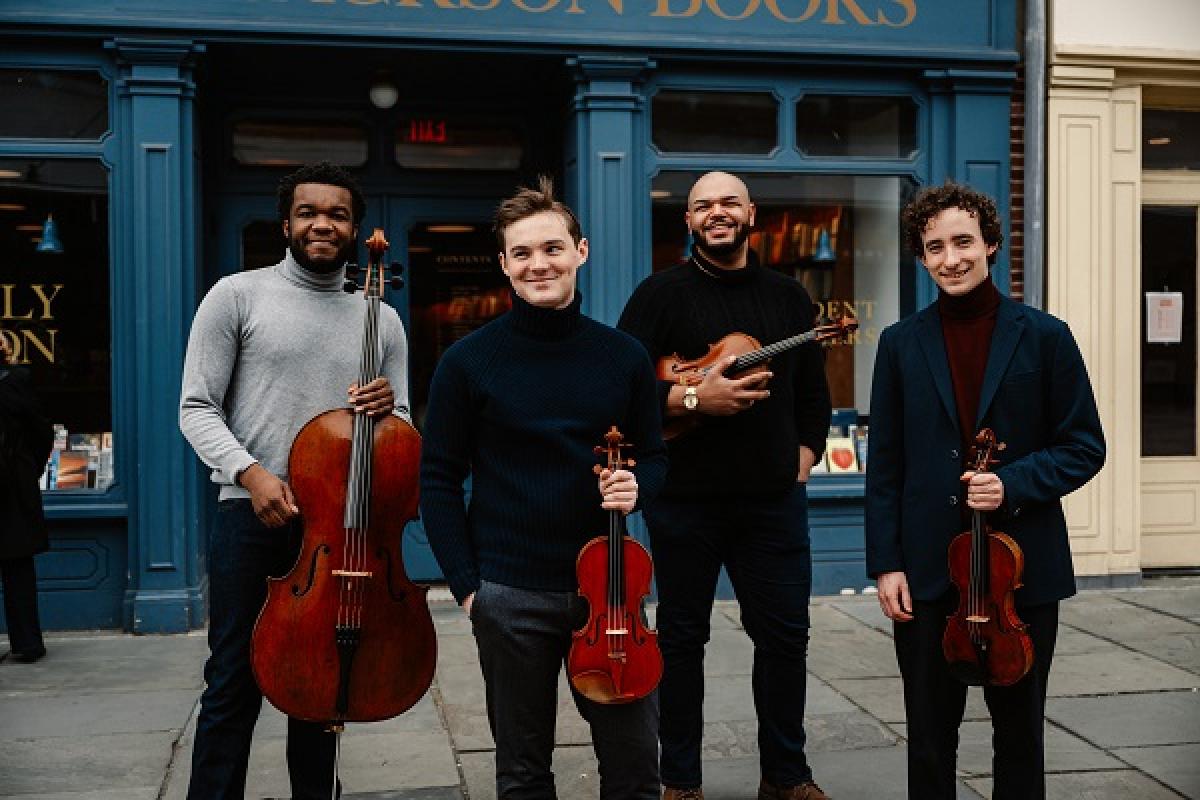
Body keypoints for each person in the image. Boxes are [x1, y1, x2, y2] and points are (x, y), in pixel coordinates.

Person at [419, 177, 668, 800]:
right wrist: (470, 590)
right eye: (523, 253)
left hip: (611, 595)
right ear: (504, 264)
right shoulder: (468, 361)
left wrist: (637, 486)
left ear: (580, 251)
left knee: (635, 767)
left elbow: (657, 458)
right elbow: (439, 479)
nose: (539, 265)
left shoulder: (624, 356)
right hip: (508, 593)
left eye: (552, 248)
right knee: (523, 771)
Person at [864, 181, 1106, 799]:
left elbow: (1085, 446)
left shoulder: (1046, 336)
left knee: (1020, 734)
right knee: (929, 737)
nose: (951, 258)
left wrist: (1012, 483)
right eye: (935, 246)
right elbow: (885, 466)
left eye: (963, 241)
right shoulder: (897, 343)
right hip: (926, 570)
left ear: (991, 244)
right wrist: (886, 564)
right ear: (921, 258)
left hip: (1018, 573)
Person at [179, 161, 409, 800]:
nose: (322, 224)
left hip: (339, 527)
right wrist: (251, 475)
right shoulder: (237, 296)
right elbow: (196, 407)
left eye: (337, 214)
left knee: (321, 683)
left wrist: (390, 408)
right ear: (286, 222)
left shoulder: (380, 320)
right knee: (232, 680)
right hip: (250, 516)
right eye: (308, 212)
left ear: (353, 227)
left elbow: (403, 430)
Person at [617, 171, 833, 800]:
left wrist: (807, 451)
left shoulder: (789, 298)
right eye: (703, 205)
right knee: (683, 640)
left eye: (729, 202)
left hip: (772, 502)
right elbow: (624, 390)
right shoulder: (658, 295)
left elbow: (814, 390)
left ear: (750, 214)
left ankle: (786, 776)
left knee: (786, 637)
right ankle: (680, 780)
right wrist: (690, 394)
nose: (717, 212)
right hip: (684, 503)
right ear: (688, 221)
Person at [0, 335, 53, 664]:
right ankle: (27, 642)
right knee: (18, 568)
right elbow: (42, 431)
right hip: (13, 487)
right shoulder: (17, 383)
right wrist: (26, 466)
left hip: (14, 483)